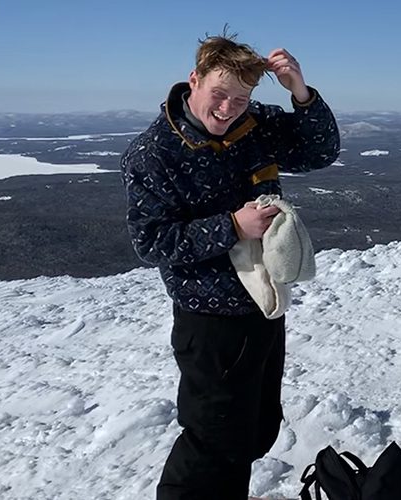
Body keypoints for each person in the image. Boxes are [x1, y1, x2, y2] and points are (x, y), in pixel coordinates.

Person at [120, 32, 340, 500]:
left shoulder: (254, 123)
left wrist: (300, 92)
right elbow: (152, 241)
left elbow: (320, 152)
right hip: (210, 318)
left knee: (256, 429)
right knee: (214, 441)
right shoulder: (153, 153)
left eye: (241, 98)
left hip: (265, 301)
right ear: (193, 80)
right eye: (219, 94)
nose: (229, 108)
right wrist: (233, 227)